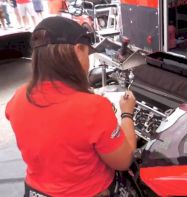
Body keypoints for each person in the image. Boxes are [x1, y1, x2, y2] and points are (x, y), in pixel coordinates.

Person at [5, 17, 137, 196]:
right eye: (87, 53)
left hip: (35, 191)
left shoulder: (18, 97)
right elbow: (124, 160)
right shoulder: (94, 107)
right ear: (78, 50)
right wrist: (127, 113)